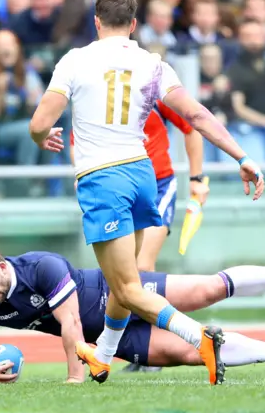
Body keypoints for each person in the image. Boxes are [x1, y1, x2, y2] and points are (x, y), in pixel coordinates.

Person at [28, 0, 264, 386]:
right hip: (143, 175)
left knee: (127, 286)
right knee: (125, 283)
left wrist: (40, 137)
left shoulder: (75, 60)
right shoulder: (154, 64)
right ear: (134, 24)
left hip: (103, 179)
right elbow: (197, 115)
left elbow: (38, 123)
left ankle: (199, 337)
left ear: (97, 21)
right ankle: (102, 356)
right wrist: (242, 157)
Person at [0, 244, 265, 384]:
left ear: (2, 266)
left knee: (207, 290)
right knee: (194, 352)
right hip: (116, 338)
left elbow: (70, 322)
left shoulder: (40, 266)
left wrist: (76, 381)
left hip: (122, 292)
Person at [70, 98, 209, 374]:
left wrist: (197, 178)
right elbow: (78, 142)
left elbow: (191, 126)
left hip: (157, 186)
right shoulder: (95, 96)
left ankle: (165, 345)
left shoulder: (153, 91)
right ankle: (139, 351)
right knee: (125, 278)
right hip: (116, 189)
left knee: (141, 268)